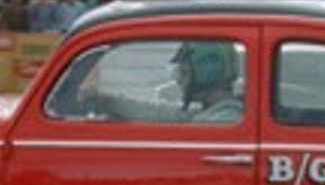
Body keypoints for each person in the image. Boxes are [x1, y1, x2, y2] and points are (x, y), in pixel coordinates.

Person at [78, 41, 242, 124]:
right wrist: (104, 101)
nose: (180, 78)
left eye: (185, 70)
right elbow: (161, 114)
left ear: (203, 72)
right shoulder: (218, 111)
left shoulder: (220, 120)